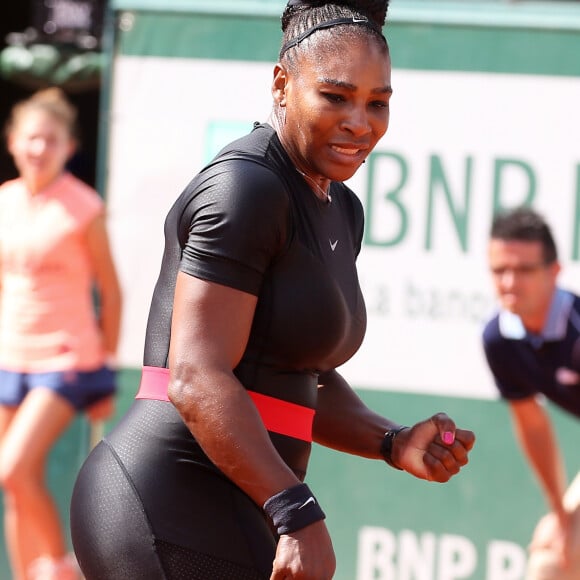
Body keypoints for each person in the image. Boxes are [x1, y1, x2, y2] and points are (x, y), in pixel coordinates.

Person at [70, 1, 475, 579]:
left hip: (244, 501)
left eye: (377, 102)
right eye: (335, 97)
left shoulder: (341, 207)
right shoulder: (246, 186)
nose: (360, 122)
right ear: (282, 84)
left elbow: (295, 376)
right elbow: (196, 374)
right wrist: (296, 510)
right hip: (166, 495)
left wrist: (392, 440)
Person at [0, 87, 122, 580]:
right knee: (15, 484)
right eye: (31, 139)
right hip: (10, 355)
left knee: (11, 468)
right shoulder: (4, 201)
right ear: (12, 142)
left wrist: (107, 369)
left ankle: (56, 572)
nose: (39, 149)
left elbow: (111, 292)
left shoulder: (84, 207)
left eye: (51, 141)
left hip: (67, 359)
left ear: (69, 147)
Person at [482, 206, 580, 579]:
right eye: (499, 271)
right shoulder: (498, 339)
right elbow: (533, 425)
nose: (509, 282)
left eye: (523, 270)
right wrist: (561, 515)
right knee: (552, 562)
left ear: (554, 272)